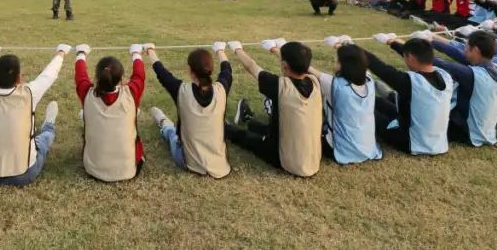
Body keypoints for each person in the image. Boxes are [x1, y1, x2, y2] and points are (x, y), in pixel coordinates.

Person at [225, 40, 323, 177]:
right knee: (260, 126)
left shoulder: (279, 85)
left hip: (284, 159)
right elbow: (295, 62)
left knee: (246, 138)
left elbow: (252, 67)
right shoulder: (315, 81)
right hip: (313, 158)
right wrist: (274, 49)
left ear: (284, 65)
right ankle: (247, 119)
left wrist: (237, 49)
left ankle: (224, 128)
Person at [0, 45, 66, 187]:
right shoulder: (29, 93)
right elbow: (49, 75)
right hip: (24, 174)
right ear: (19, 78)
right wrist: (61, 53)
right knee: (43, 139)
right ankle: (49, 124)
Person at [146, 44, 232, 178]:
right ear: (211, 69)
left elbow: (161, 73)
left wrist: (150, 50)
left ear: (190, 71)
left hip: (187, 162)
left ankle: (163, 122)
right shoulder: (222, 89)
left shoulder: (181, 90)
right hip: (220, 165)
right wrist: (220, 50)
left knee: (172, 134)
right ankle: (165, 123)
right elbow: (227, 70)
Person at [364, 36, 453, 155]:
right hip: (438, 142)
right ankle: (389, 96)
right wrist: (391, 42)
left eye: (405, 56)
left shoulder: (410, 82)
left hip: (412, 142)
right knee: (378, 102)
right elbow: (415, 56)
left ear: (410, 57)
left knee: (364, 109)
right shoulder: (445, 76)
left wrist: (348, 45)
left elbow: (380, 68)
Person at [74, 44, 145, 182]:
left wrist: (81, 53)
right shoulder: (131, 93)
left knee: (85, 114)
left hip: (93, 169)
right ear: (121, 78)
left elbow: (80, 77)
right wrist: (136, 53)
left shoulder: (87, 93)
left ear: (97, 76)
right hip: (128, 170)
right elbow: (139, 76)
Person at [309, 39, 383, 165]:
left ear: (343, 65)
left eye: (338, 60)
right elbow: (357, 58)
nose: (335, 61)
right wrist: (338, 45)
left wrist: (277, 49)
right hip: (369, 149)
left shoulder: (334, 85)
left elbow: (304, 66)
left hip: (340, 150)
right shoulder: (369, 80)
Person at [427, 30, 497, 147]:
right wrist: (432, 41)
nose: (464, 51)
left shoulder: (473, 75)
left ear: (476, 50)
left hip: (467, 131)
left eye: (467, 47)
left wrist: (409, 46)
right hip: (487, 129)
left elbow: (442, 64)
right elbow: (458, 54)